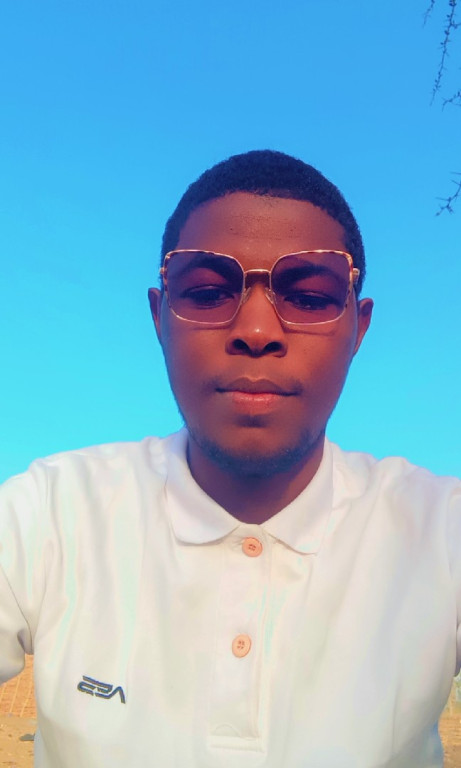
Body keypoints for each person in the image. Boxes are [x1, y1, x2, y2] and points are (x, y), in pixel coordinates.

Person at [0, 149, 460, 768]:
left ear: (359, 328)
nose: (257, 330)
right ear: (160, 319)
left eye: (310, 296)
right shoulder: (49, 514)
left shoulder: (439, 532)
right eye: (208, 292)